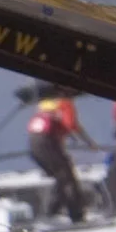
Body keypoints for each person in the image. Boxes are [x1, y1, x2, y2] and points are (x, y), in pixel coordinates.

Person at [26, 88, 86, 223]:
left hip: (33, 145)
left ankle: (52, 211)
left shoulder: (44, 107)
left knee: (61, 177)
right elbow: (70, 125)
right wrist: (87, 142)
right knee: (67, 178)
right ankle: (75, 214)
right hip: (46, 143)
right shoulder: (65, 104)